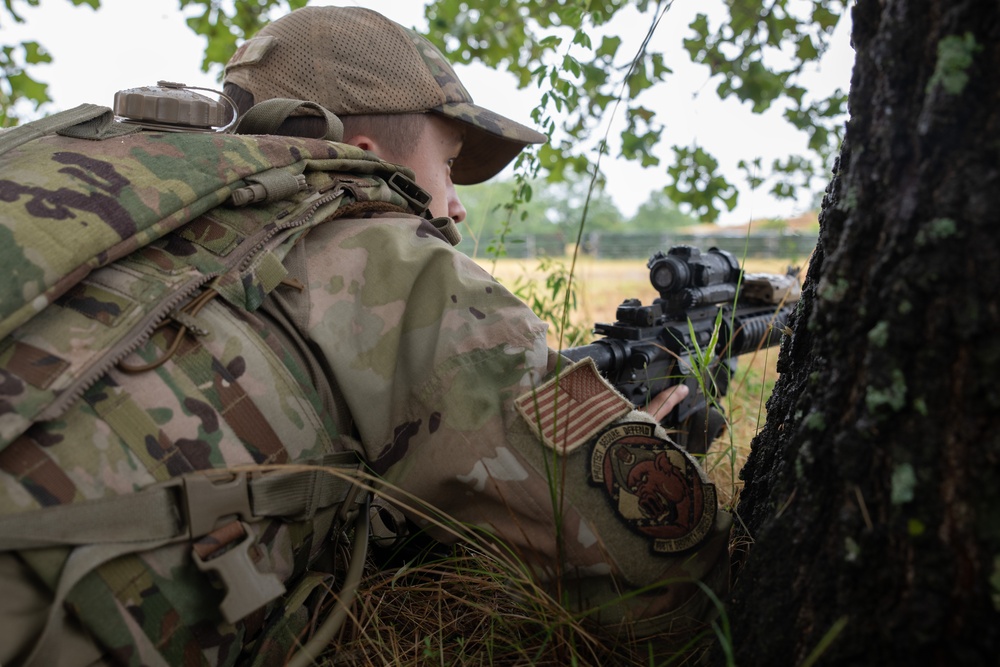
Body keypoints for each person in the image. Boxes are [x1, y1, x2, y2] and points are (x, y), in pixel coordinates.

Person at [0, 6, 731, 665]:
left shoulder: (114, 201)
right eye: (447, 166)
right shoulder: (384, 251)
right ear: (363, 152)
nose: (454, 205)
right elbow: (659, 573)